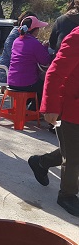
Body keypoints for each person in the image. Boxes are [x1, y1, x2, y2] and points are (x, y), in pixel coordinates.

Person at [33, 26, 79, 217]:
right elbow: (55, 71)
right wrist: (50, 106)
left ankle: (41, 163)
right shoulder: (77, 37)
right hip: (71, 107)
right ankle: (67, 195)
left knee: (72, 149)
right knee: (74, 157)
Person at [7, 16, 52, 108]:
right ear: (35, 30)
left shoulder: (16, 41)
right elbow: (45, 61)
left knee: (36, 85)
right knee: (45, 85)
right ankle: (33, 111)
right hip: (26, 83)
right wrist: (44, 47)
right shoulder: (35, 43)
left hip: (11, 81)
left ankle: (22, 108)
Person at [0, 11, 36, 83]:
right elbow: (13, 55)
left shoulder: (25, 36)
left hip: (9, 72)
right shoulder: (15, 35)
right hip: (6, 73)